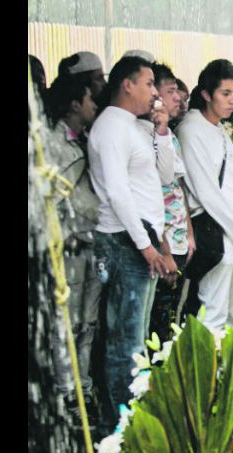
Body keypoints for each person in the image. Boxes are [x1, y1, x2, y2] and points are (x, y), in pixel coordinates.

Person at [87, 56, 171, 430]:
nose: (155, 92)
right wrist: (147, 247)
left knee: (135, 337)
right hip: (125, 242)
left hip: (143, 238)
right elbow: (119, 195)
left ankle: (130, 422)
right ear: (127, 85)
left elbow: (165, 175)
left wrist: (163, 131)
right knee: (125, 342)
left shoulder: (137, 127)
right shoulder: (109, 126)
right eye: (150, 83)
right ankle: (119, 429)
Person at [176, 59, 233, 331]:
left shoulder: (221, 132)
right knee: (209, 317)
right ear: (206, 94)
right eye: (226, 93)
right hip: (212, 233)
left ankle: (225, 371)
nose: (232, 100)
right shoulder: (190, 130)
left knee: (229, 313)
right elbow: (206, 192)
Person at [44, 73, 101, 424]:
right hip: (66, 246)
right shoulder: (51, 144)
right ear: (73, 105)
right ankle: (65, 392)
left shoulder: (87, 140)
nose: (95, 105)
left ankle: (84, 387)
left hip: (92, 244)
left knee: (88, 322)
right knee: (65, 323)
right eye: (89, 99)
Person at [143, 62, 195, 343]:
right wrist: (163, 248)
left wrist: (189, 233)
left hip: (179, 242)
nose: (177, 97)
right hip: (164, 245)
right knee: (156, 324)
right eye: (171, 90)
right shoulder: (148, 135)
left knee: (171, 319)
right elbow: (152, 196)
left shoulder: (168, 135)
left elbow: (177, 187)